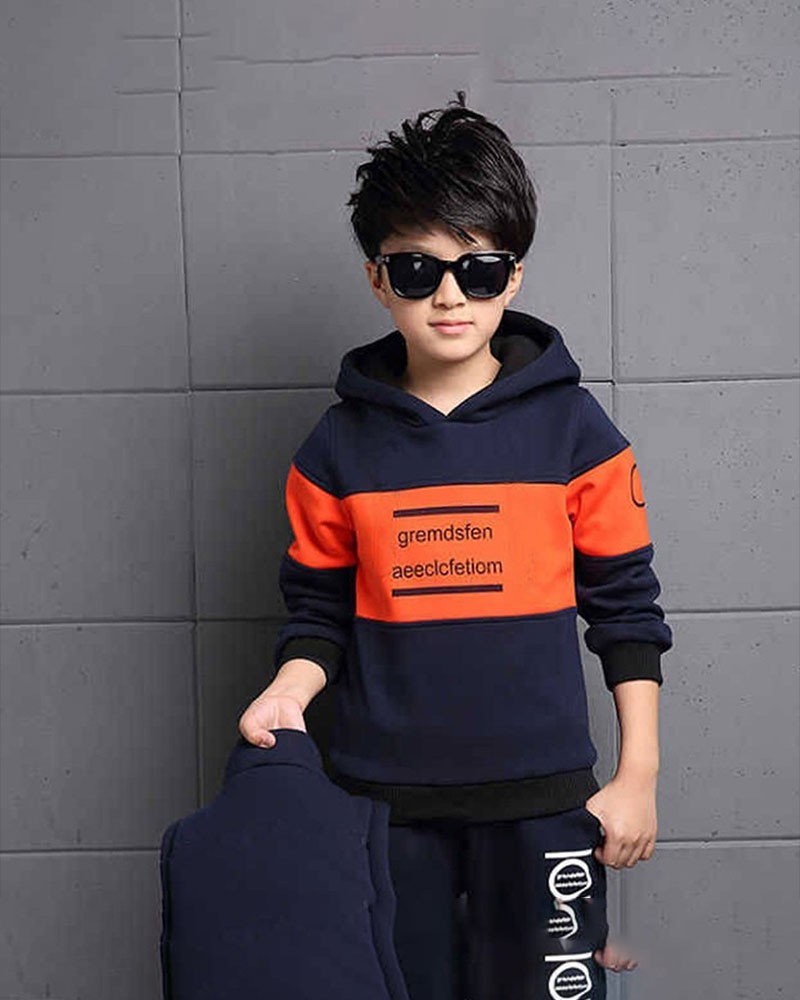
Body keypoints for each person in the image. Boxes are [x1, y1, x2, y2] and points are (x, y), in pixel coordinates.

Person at [239, 91, 672, 1000]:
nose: (449, 295)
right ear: (377, 279)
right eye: (417, 269)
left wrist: (638, 774)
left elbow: (627, 611)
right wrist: (289, 687)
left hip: (546, 805)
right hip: (385, 808)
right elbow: (317, 615)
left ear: (512, 278)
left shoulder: (576, 432)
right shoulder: (336, 449)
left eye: (478, 270)